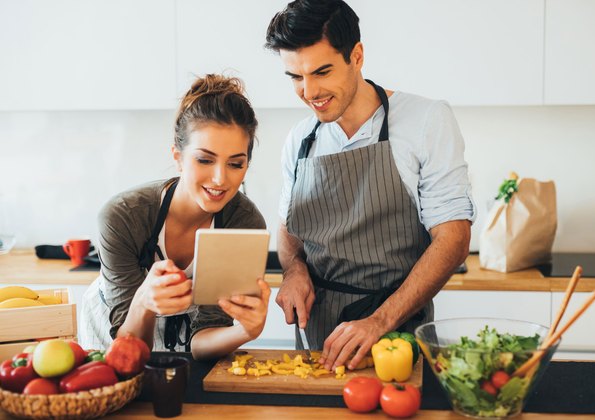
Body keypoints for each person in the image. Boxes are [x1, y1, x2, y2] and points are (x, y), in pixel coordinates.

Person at [265, 0, 476, 371]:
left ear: (357, 56)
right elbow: (289, 232)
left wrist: (380, 321)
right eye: (295, 77)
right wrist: (293, 270)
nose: (309, 91)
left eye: (322, 71)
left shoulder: (426, 120)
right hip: (315, 345)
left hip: (397, 337)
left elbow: (454, 238)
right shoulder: (301, 139)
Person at [80, 74, 270, 360]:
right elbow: (131, 345)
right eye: (205, 160)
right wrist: (144, 300)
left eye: (235, 163)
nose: (220, 179)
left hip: (184, 347)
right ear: (178, 157)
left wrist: (246, 330)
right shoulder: (123, 216)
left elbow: (203, 340)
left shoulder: (243, 223)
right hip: (116, 338)